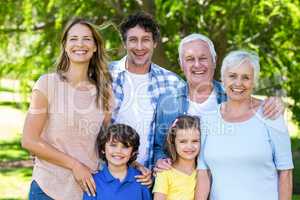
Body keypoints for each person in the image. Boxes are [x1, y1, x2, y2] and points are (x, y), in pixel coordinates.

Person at [153, 33, 284, 172]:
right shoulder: (168, 101)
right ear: (181, 64)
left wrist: (275, 103)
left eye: (203, 58)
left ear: (214, 61)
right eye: (190, 59)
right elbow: (159, 147)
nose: (197, 65)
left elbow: (257, 110)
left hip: (223, 183)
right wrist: (160, 161)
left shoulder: (233, 93)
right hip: (182, 186)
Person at [22, 18, 113, 200]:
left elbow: (105, 144)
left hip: (87, 191)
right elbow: (29, 140)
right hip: (48, 188)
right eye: (73, 38)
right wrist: (75, 165)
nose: (80, 44)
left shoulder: (105, 91)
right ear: (64, 45)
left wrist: (134, 164)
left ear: (95, 47)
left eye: (87, 38)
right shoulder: (48, 84)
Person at [195, 50, 293, 200]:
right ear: (222, 79)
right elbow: (203, 173)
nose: (238, 83)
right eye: (232, 76)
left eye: (246, 77)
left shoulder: (271, 115)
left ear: (254, 82)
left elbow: (285, 172)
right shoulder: (208, 120)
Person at [109, 11, 184, 171]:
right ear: (124, 43)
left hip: (151, 179)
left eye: (146, 40)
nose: (139, 47)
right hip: (107, 177)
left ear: (155, 43)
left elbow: (183, 134)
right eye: (133, 40)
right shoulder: (105, 75)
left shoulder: (173, 83)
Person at [83, 124, 152, 200]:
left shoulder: (142, 180)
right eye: (113, 145)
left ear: (133, 153)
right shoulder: (93, 181)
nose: (118, 151)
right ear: (103, 149)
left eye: (125, 147)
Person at [153, 115, 200, 200]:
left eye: (195, 141)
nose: (190, 146)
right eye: (183, 141)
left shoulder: (202, 173)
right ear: (173, 141)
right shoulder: (164, 172)